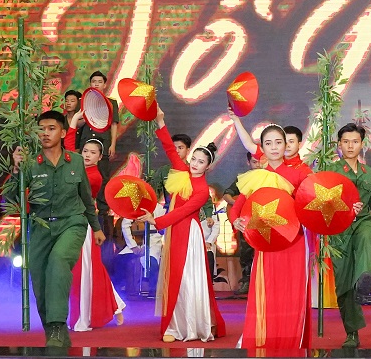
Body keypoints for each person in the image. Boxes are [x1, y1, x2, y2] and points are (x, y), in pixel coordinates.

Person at [138, 103, 225, 343]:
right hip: (175, 231)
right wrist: (160, 121)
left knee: (187, 278)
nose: (195, 163)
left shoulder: (202, 190)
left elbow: (184, 212)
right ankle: (173, 325)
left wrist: (156, 220)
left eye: (200, 162)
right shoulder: (181, 171)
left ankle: (191, 326)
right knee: (175, 277)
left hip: (189, 234)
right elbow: (169, 148)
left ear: (208, 166)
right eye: (194, 159)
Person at [17, 110, 104, 347]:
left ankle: (56, 324)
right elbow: (14, 199)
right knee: (40, 281)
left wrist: (96, 227)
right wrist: (16, 171)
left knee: (58, 261)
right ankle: (56, 334)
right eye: (41, 129)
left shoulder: (75, 161)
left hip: (72, 223)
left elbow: (86, 197)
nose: (45, 133)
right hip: (41, 226)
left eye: (51, 128)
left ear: (63, 133)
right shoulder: (29, 163)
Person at [228, 122, 312, 352]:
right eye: (268, 143)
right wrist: (235, 221)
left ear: (286, 145)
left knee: (291, 293)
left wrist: (348, 208)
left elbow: (316, 198)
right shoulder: (259, 175)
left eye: (278, 142)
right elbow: (239, 205)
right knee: (268, 292)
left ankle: (291, 342)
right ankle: (266, 340)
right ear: (262, 149)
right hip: (266, 242)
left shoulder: (301, 172)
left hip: (294, 241)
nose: (274, 147)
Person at [319, 123, 371, 348]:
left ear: (361, 144)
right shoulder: (332, 170)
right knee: (343, 284)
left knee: (365, 238)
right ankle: (352, 332)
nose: (350, 146)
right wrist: (344, 207)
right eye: (346, 141)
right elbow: (323, 201)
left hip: (363, 221)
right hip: (339, 229)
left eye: (355, 141)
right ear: (339, 144)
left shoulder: (367, 172)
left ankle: (365, 278)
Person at [63, 111, 125, 331]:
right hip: (69, 223)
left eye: (93, 153)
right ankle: (113, 305)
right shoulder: (78, 167)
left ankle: (87, 314)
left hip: (83, 224)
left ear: (100, 157)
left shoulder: (94, 176)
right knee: (86, 268)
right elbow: (69, 150)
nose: (88, 155)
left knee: (85, 269)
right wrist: (73, 121)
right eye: (85, 151)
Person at [223, 151, 263, 296]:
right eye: (254, 162)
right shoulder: (243, 179)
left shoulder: (269, 177)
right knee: (246, 250)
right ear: (248, 162)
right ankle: (246, 281)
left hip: (266, 219)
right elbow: (226, 195)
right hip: (247, 221)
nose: (258, 165)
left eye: (260, 161)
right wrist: (238, 204)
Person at [76, 71, 119, 161]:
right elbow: (77, 124)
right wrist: (86, 118)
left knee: (102, 167)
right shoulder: (82, 101)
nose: (96, 84)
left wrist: (113, 145)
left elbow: (114, 124)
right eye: (94, 81)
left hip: (104, 142)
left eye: (100, 82)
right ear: (90, 84)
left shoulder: (112, 102)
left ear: (104, 85)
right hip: (86, 141)